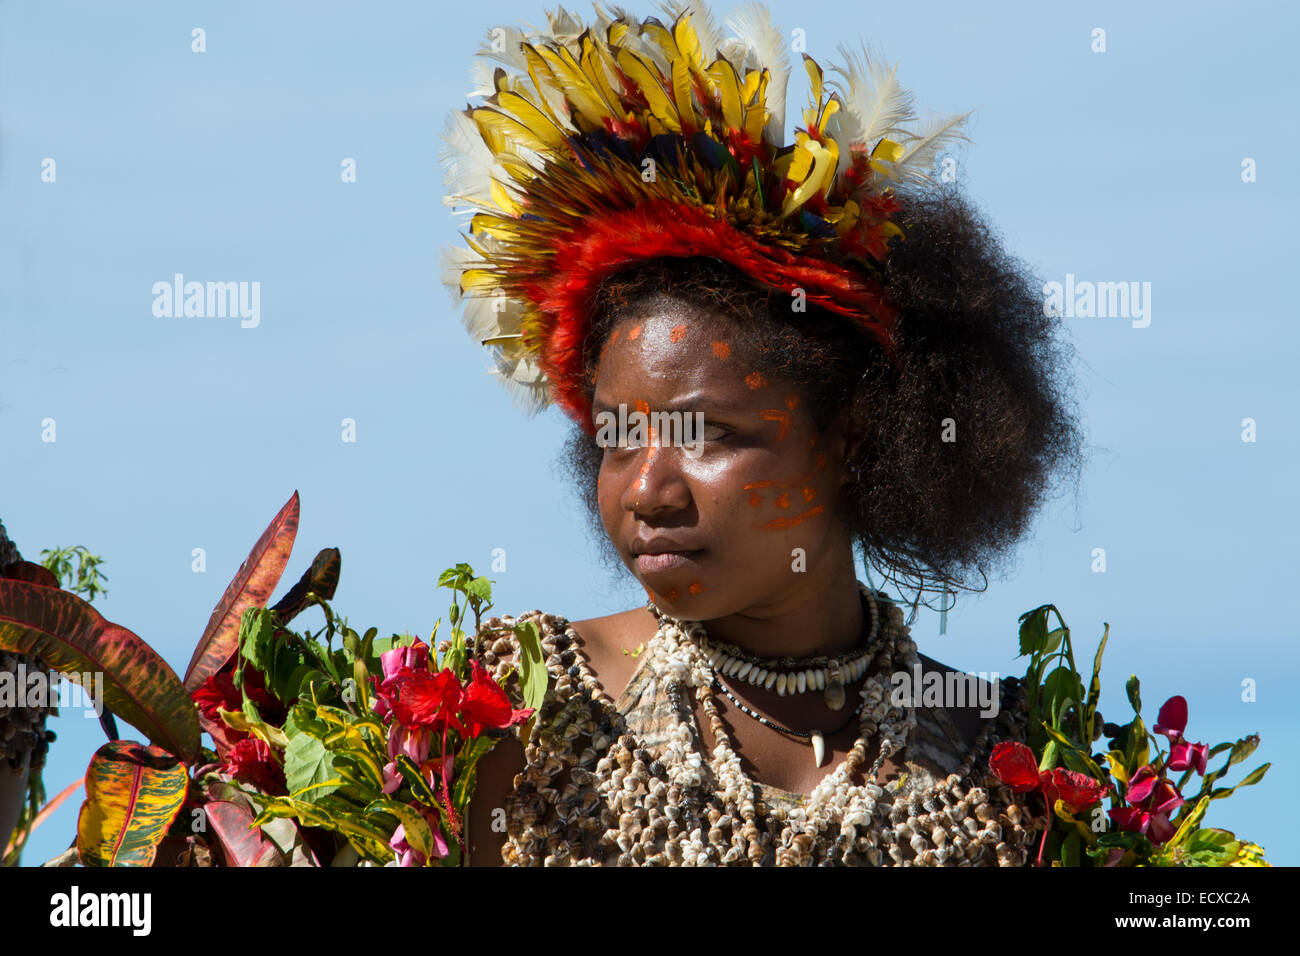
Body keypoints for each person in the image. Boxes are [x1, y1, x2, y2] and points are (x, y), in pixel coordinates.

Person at [439, 1, 1084, 866]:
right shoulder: (511, 712)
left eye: (705, 433)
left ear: (852, 435)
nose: (646, 490)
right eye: (618, 437)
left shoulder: (1016, 770)